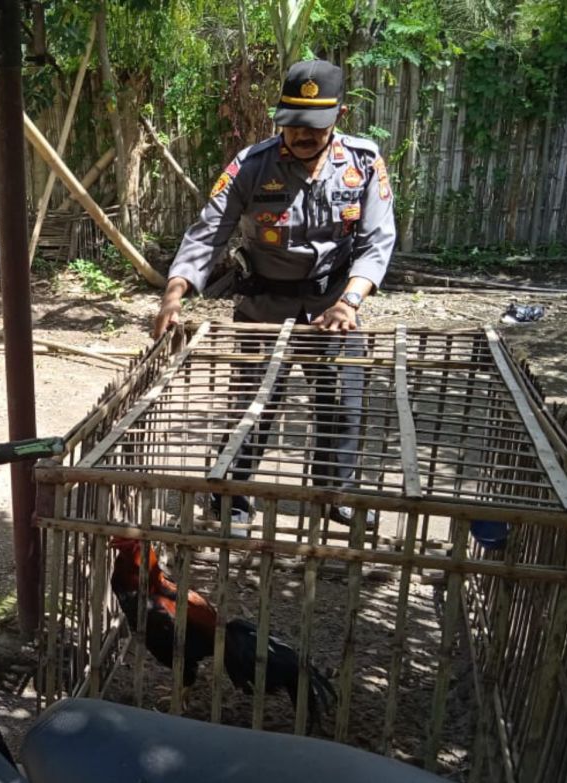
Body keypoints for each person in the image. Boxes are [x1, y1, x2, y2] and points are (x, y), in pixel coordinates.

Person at [152, 59, 396, 530]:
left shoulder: (363, 163)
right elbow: (209, 233)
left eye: (314, 127)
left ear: (338, 118)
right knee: (253, 406)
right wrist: (174, 292)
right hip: (263, 305)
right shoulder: (251, 165)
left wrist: (350, 302)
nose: (302, 135)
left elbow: (377, 240)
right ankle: (235, 498)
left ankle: (334, 491)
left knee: (342, 404)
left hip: (333, 306)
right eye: (293, 125)